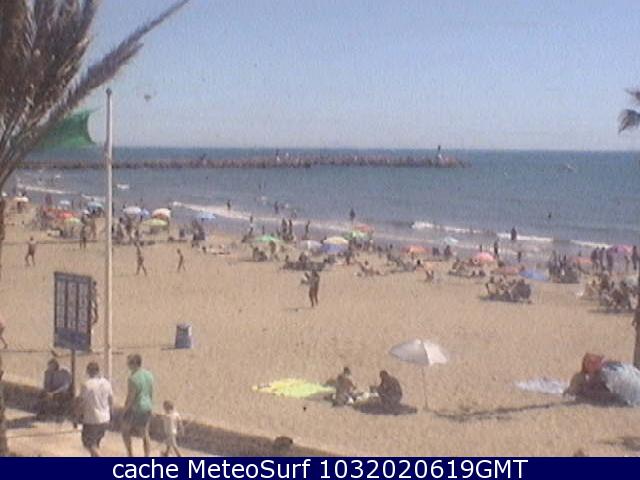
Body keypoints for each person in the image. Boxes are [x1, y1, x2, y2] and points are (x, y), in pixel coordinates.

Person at [76, 362, 113, 457]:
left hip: (92, 419)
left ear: (88, 371)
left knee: (88, 443)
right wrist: (111, 413)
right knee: (96, 444)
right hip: (105, 418)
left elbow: (81, 402)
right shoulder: (106, 383)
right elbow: (111, 400)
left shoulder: (87, 385)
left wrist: (78, 416)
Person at [122, 354, 154, 457]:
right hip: (147, 406)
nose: (128, 365)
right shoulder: (149, 375)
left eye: (129, 363)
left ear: (134, 363)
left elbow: (131, 397)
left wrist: (124, 410)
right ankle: (147, 455)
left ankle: (130, 454)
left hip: (136, 408)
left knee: (125, 430)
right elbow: (150, 392)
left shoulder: (133, 378)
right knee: (145, 433)